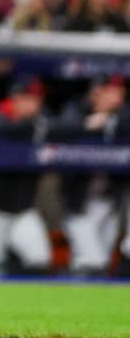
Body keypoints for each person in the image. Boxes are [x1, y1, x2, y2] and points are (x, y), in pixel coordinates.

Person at [0, 75, 53, 276]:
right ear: (15, 98)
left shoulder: (43, 117)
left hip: (23, 211)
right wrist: (33, 128)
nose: (32, 103)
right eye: (26, 97)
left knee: (40, 258)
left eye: (35, 98)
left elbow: (65, 127)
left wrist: (35, 126)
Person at [54, 73, 125, 276]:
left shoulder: (122, 115)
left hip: (109, 203)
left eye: (119, 92)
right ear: (96, 93)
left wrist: (111, 121)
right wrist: (88, 125)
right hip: (79, 204)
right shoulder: (76, 110)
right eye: (111, 92)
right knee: (94, 260)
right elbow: (59, 127)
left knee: (97, 261)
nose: (117, 97)